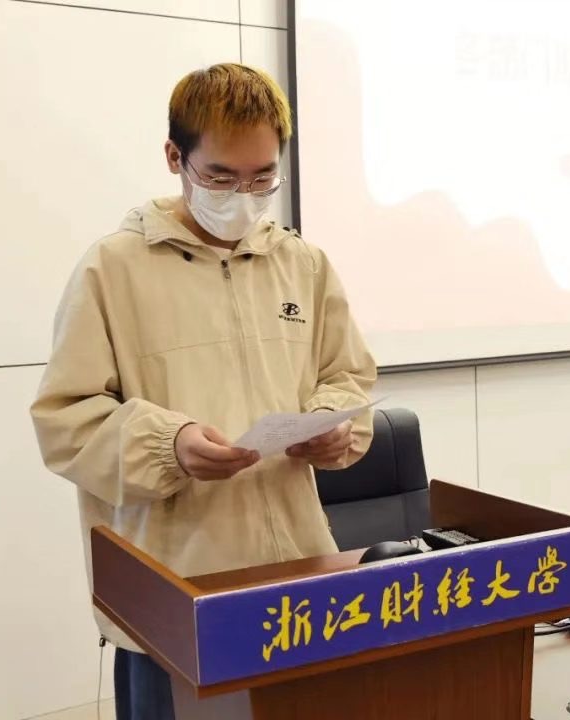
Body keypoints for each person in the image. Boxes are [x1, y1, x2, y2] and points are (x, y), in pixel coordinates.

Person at [30, 63, 377, 720]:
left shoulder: (302, 264)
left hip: (299, 583)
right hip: (175, 600)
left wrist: (333, 423)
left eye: (262, 177)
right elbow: (65, 421)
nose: (243, 195)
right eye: (220, 177)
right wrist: (170, 444)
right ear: (174, 157)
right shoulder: (113, 269)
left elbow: (347, 376)